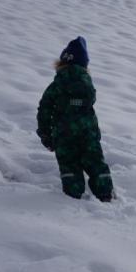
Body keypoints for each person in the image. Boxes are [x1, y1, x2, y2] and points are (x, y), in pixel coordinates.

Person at [36, 36, 114, 202]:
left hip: (63, 134)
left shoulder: (57, 84)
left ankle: (73, 195)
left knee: (69, 164)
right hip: (88, 134)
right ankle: (106, 194)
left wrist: (45, 134)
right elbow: (90, 106)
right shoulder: (87, 83)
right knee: (95, 163)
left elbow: (44, 108)